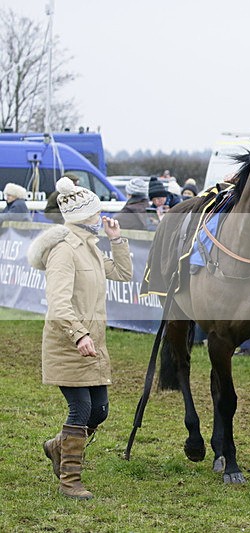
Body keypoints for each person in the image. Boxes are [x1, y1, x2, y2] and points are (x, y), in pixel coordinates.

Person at [27, 176, 133, 500]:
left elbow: (123, 274)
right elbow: (59, 304)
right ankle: (69, 481)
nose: (102, 218)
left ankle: (58, 446)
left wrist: (116, 240)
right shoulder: (63, 251)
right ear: (84, 216)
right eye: (97, 213)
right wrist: (78, 335)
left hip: (92, 345)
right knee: (82, 408)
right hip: (68, 344)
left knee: (100, 410)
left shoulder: (90, 246)